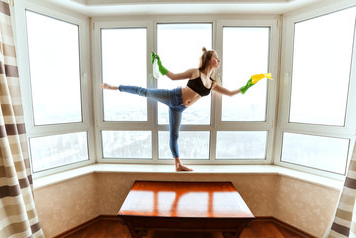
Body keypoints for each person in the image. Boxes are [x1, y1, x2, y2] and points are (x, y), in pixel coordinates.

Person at [100, 47, 263, 171]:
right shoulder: (195, 72)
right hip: (173, 96)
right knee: (145, 92)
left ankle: (178, 164)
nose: (218, 60)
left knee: (174, 134)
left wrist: (247, 86)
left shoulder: (212, 83)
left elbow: (230, 93)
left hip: (180, 108)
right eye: (216, 57)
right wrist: (160, 65)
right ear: (208, 59)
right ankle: (114, 87)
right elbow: (173, 76)